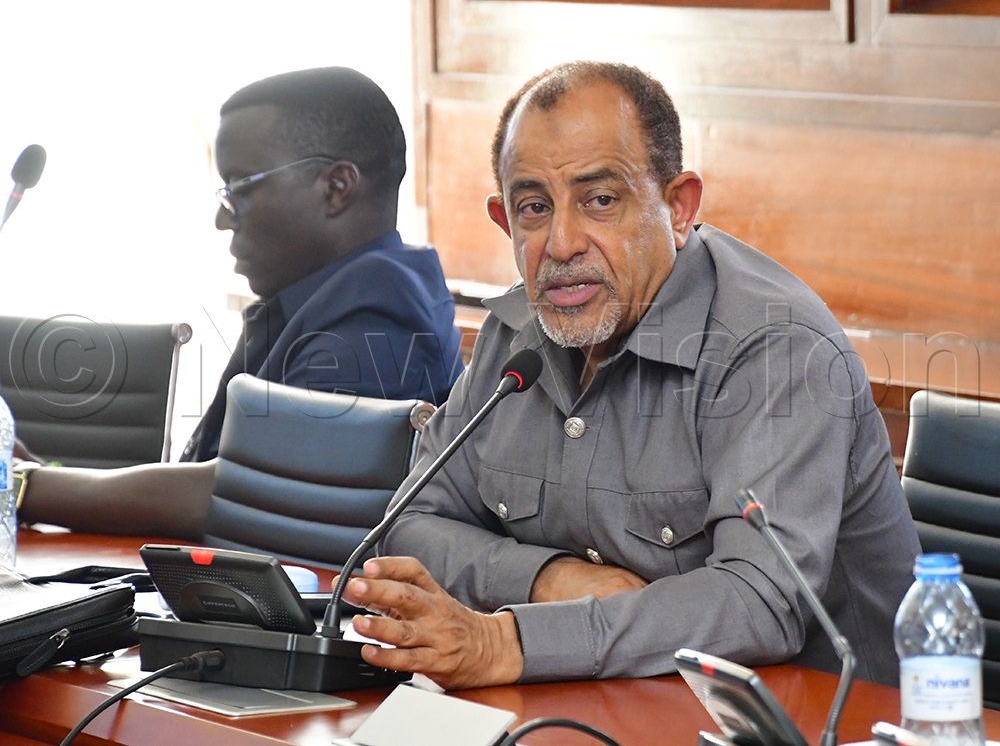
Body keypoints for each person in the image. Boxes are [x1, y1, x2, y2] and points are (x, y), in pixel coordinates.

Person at [335, 60, 922, 691]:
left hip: (823, 719)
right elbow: (406, 524)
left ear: (677, 208)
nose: (560, 243)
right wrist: (549, 578)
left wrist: (510, 640)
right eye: (534, 207)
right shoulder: (519, 335)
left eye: (600, 201)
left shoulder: (776, 350)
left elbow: (761, 602)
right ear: (506, 221)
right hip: (607, 702)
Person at [16, 67, 463, 537]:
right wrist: (44, 479)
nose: (221, 219)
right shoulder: (326, 295)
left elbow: (241, 496)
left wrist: (26, 486)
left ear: (336, 188)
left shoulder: (376, 324)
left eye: (239, 187)